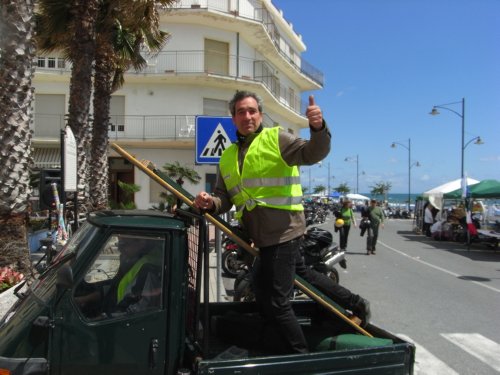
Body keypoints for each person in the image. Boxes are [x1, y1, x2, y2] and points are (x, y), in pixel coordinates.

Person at [194, 90, 370, 354]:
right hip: (260, 236)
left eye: (252, 110)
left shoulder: (276, 139)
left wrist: (317, 127)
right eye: (241, 111)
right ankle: (356, 303)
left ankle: (300, 357)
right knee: (299, 273)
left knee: (276, 301)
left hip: (283, 231)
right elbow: (224, 197)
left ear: (260, 115)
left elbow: (313, 152)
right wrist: (211, 203)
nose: (247, 116)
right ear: (233, 118)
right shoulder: (227, 156)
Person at [75, 236, 162, 318]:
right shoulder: (131, 258)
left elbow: (138, 310)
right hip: (116, 307)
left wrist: (103, 318)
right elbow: (115, 286)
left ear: (141, 243)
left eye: (124, 244)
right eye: (119, 244)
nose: (120, 250)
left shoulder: (150, 268)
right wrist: (85, 299)